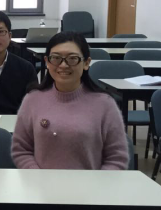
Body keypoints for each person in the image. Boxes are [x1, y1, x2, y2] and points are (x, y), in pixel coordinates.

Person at [12, 32, 128, 170]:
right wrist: (38, 176)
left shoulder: (105, 104)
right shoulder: (33, 99)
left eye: (72, 58)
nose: (63, 65)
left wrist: (97, 182)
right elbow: (21, 150)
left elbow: (117, 158)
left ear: (86, 63)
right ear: (47, 62)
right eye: (56, 58)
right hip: (41, 182)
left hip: (90, 183)